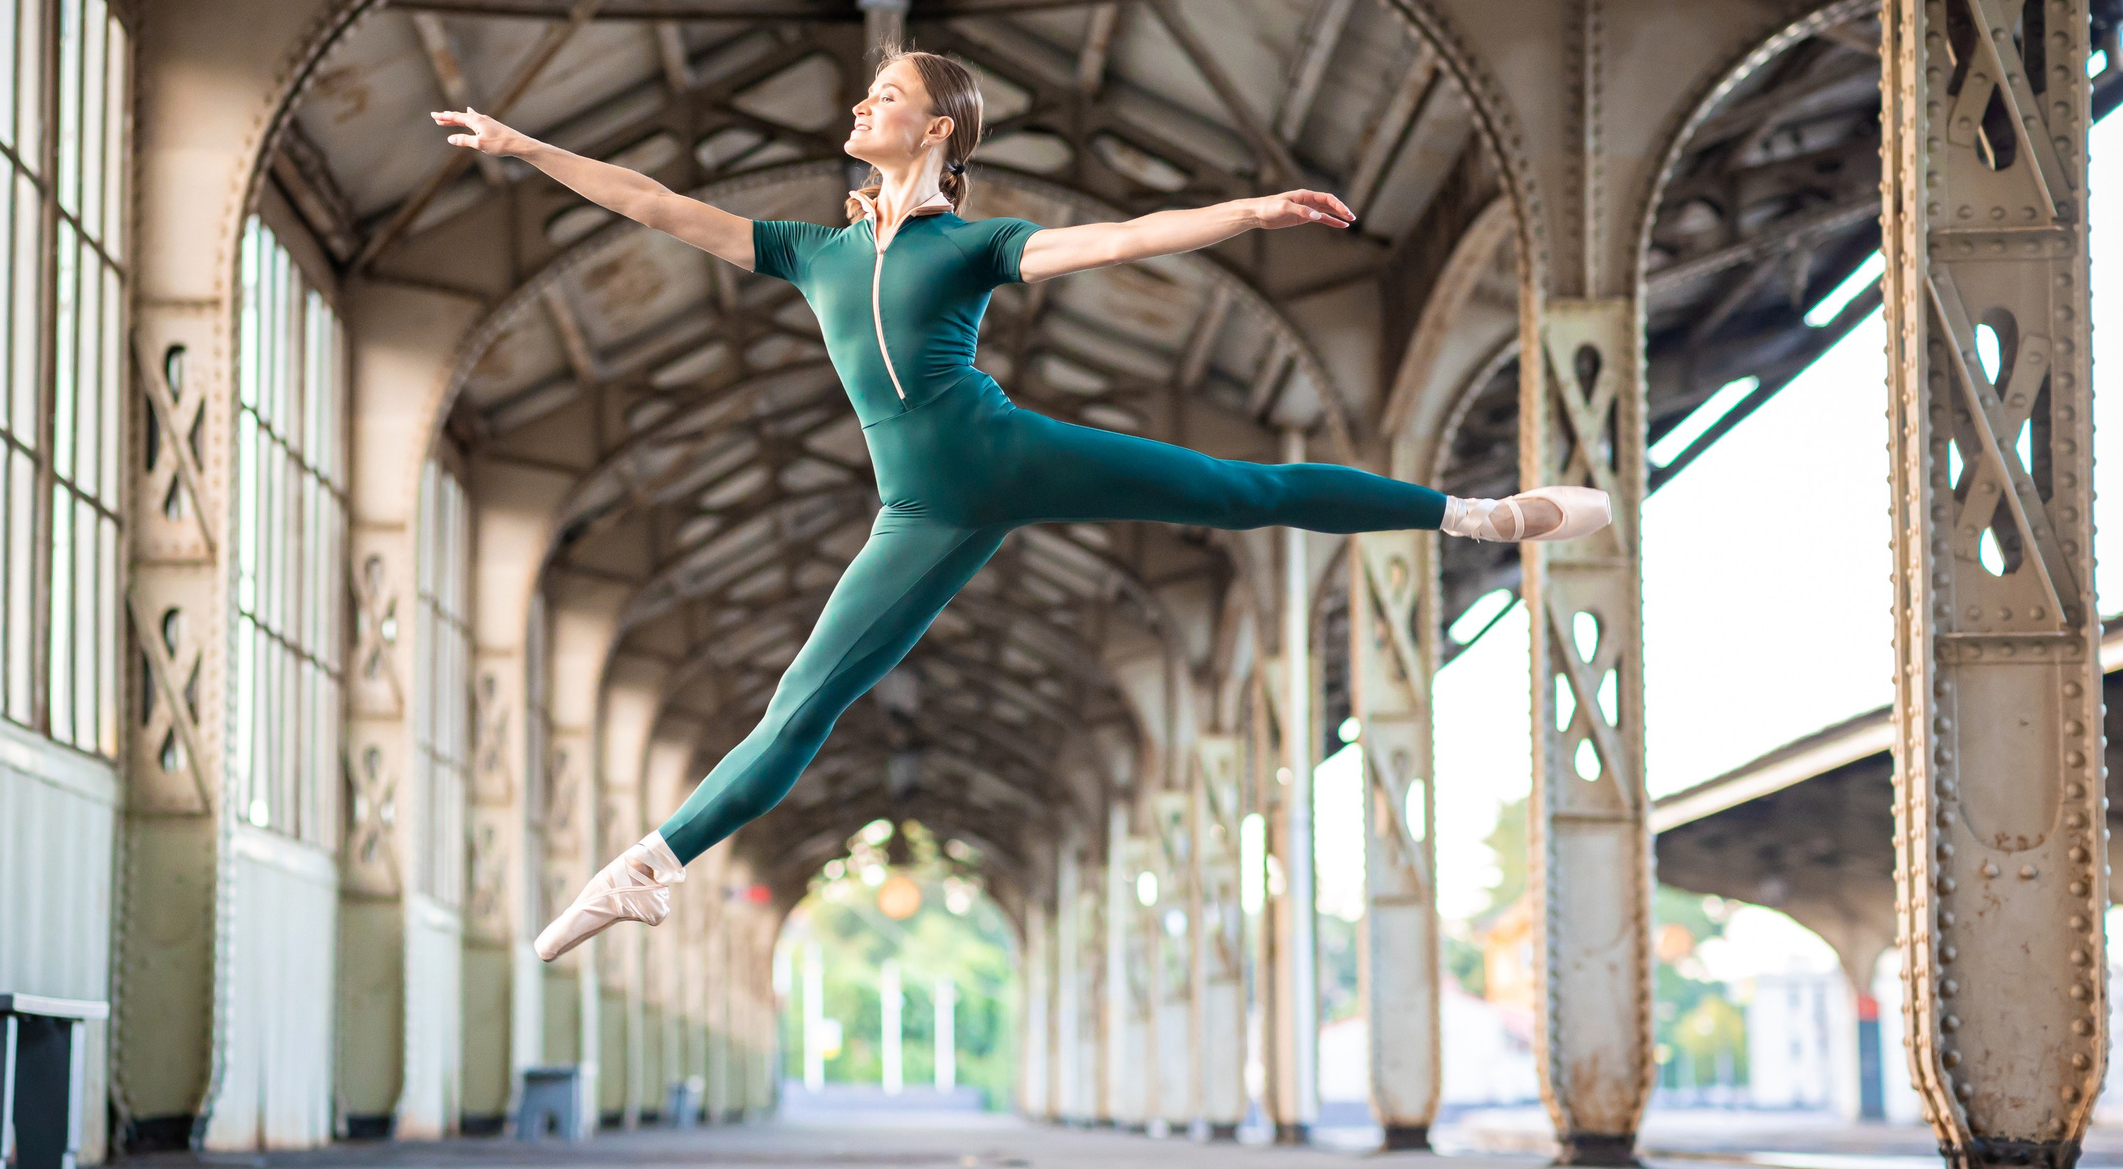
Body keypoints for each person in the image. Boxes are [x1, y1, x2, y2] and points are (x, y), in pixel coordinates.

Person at [433, 50, 1607, 963]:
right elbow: (651, 203)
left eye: (880, 96)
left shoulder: (975, 243)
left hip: (1007, 453)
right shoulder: (808, 250)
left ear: (933, 129)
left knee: (1239, 491)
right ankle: (652, 865)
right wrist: (522, 145)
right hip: (921, 512)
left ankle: (1476, 518)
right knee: (807, 700)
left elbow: (1121, 238)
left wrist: (1243, 215)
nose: (857, 108)